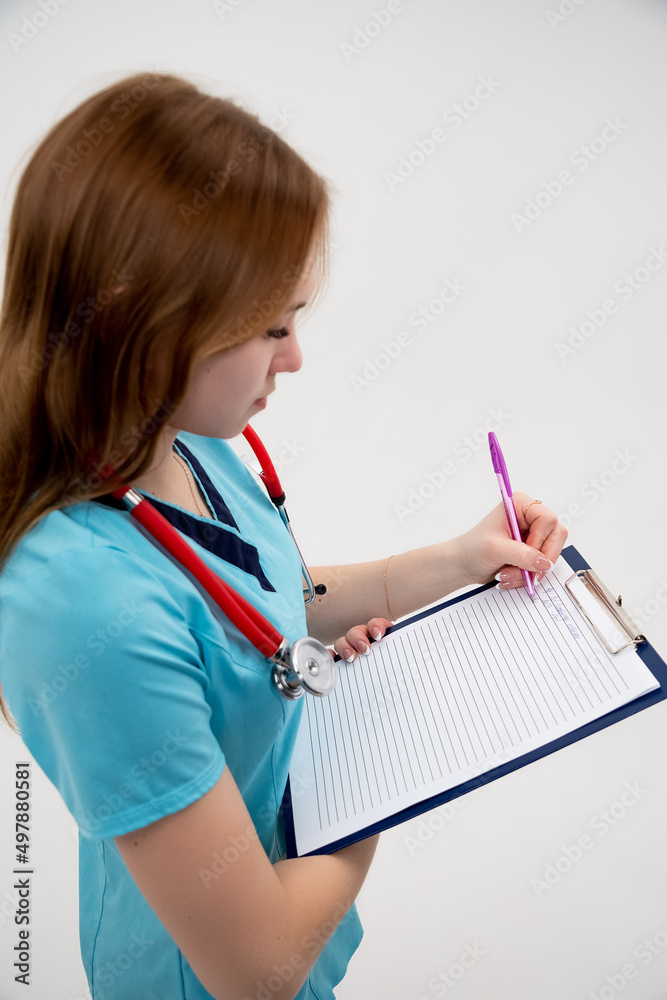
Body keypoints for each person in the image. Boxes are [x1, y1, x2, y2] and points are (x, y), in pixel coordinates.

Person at [0, 72, 567, 1000]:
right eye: (269, 326)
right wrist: (386, 776)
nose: (296, 356)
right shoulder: (75, 603)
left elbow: (267, 605)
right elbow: (256, 968)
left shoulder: (178, 442)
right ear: (146, 327)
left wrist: (460, 559)